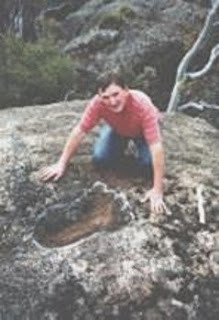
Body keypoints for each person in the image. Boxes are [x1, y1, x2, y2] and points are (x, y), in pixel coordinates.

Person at [39, 71, 165, 213]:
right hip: (118, 129)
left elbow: (156, 147)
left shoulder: (142, 105)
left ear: (126, 90)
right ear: (99, 96)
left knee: (147, 164)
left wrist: (157, 189)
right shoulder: (97, 104)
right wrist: (61, 163)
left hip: (142, 131)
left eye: (116, 94)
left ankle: (135, 152)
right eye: (105, 97)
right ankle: (122, 153)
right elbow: (80, 131)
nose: (112, 101)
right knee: (101, 158)